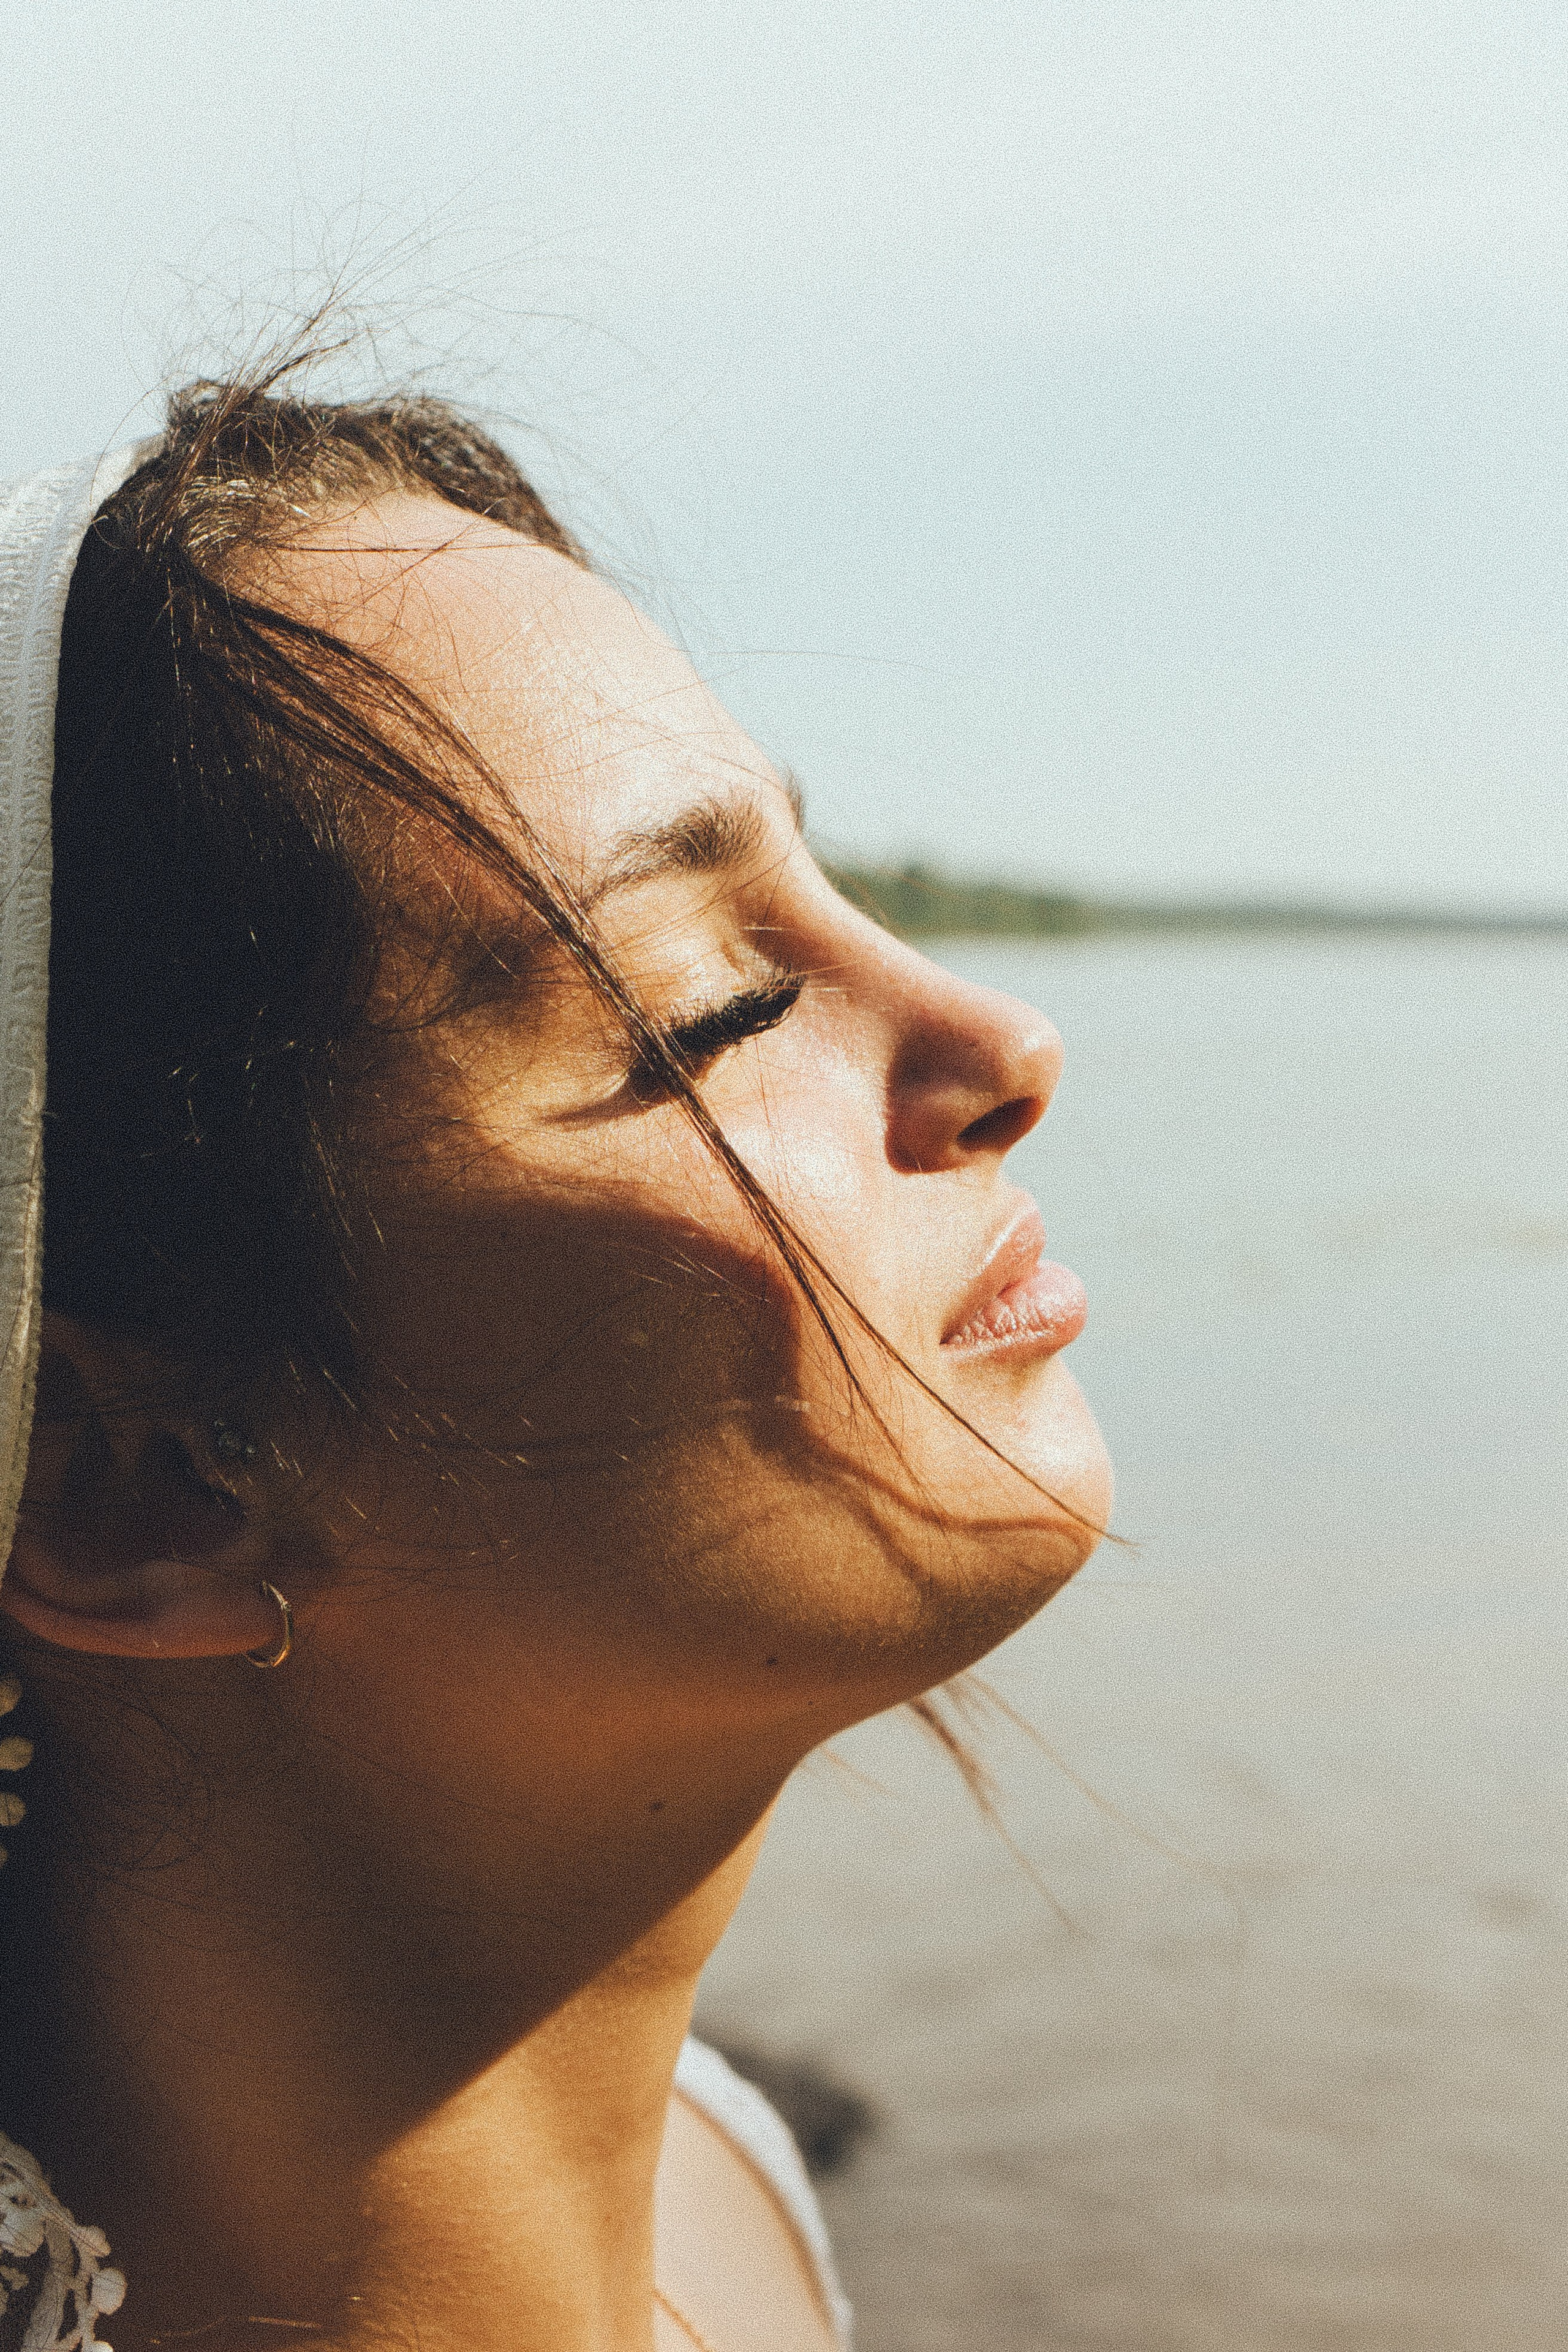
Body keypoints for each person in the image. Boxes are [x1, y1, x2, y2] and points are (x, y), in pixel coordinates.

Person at [0, 369, 1112, 2352]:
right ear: (139, 1478)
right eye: (716, 1008)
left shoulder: (725, 2186)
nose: (1004, 1044)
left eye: (823, 887)